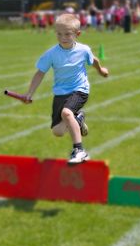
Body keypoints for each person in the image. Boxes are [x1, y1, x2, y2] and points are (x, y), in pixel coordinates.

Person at [23, 14, 109, 164]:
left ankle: (80, 150)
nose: (63, 38)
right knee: (58, 131)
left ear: (77, 34)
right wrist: (30, 92)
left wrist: (100, 70)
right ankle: (79, 118)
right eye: (59, 34)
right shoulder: (51, 54)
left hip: (80, 89)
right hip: (60, 93)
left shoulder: (83, 50)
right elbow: (40, 73)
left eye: (68, 34)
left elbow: (94, 60)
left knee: (66, 112)